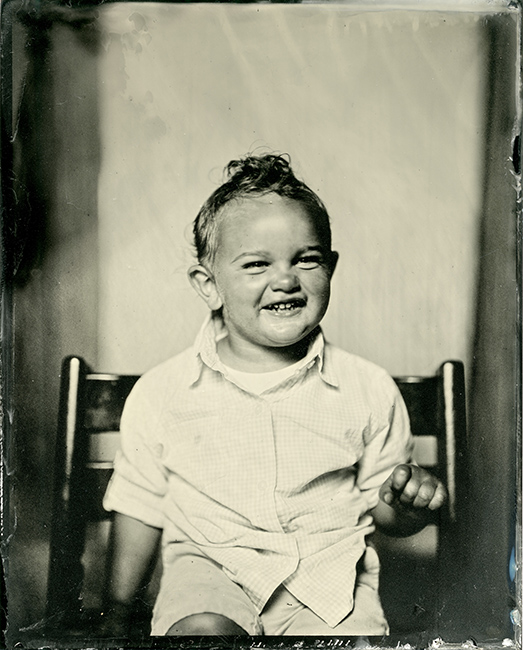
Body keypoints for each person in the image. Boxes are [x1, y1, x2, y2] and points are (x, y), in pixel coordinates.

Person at [102, 153, 447, 638]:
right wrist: (116, 614)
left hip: (328, 582)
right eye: (257, 264)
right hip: (209, 571)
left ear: (331, 267)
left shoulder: (368, 389)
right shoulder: (163, 393)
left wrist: (407, 505)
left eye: (306, 259)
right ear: (209, 285)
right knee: (202, 632)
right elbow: (142, 504)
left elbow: (383, 510)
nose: (285, 280)